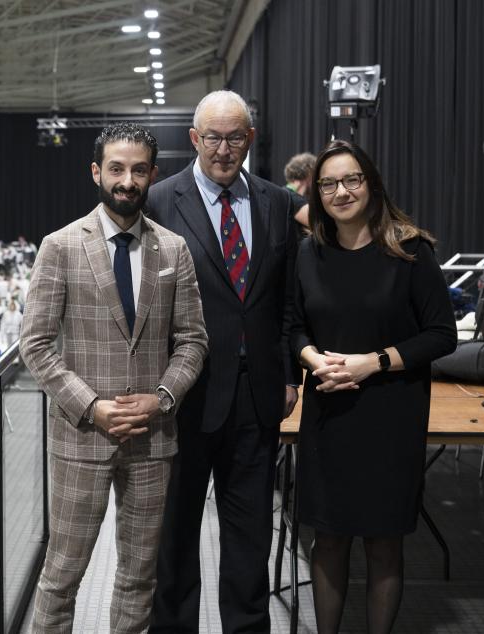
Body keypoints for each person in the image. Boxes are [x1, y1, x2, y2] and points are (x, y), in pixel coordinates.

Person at [20, 123, 208, 633]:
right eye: (117, 169)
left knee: (139, 575)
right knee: (61, 575)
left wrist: (163, 398)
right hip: (82, 437)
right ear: (96, 172)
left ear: (153, 175)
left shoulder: (173, 250)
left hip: (152, 440)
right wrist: (92, 406)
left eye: (139, 170)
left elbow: (193, 340)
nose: (128, 180)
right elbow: (34, 344)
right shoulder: (59, 246)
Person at [146, 90, 302, 634]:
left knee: (249, 539)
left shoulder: (276, 202)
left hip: (257, 399)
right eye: (212, 137)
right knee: (176, 538)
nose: (223, 148)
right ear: (193, 139)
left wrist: (287, 373)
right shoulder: (160, 201)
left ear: (250, 140)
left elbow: (286, 301)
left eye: (235, 137)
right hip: (184, 398)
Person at [290, 140, 457, 633]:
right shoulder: (307, 254)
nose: (341, 191)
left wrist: (374, 362)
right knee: (330, 539)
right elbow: (293, 326)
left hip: (391, 414)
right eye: (328, 184)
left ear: (371, 184)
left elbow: (441, 335)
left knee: (384, 542)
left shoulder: (409, 250)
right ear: (317, 194)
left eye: (351, 180)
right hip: (329, 413)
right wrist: (312, 357)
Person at [284, 151, 316, 229]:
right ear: (309, 172)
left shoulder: (285, 193)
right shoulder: (292, 198)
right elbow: (319, 225)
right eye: (316, 174)